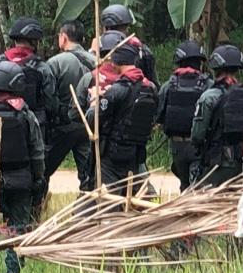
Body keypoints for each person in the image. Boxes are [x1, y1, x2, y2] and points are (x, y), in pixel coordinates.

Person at [0, 60, 44, 273]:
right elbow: (37, 152)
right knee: (17, 230)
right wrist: (38, 179)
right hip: (21, 182)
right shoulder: (25, 115)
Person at [88, 43, 157, 195]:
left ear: (116, 62)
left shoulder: (118, 90)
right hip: (136, 154)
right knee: (134, 196)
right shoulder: (150, 88)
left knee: (109, 200)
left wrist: (94, 101)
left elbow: (94, 120)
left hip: (112, 156)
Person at [191, 45, 243, 188]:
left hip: (217, 162)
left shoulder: (209, 97)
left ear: (215, 68)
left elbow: (197, 135)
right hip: (242, 161)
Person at [44, 21, 96, 192]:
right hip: (88, 125)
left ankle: (37, 204)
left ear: (63, 37)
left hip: (62, 126)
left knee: (43, 170)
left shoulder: (55, 62)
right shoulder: (97, 62)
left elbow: (48, 96)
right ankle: (90, 204)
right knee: (89, 175)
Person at [157, 39, 212, 191]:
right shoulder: (208, 85)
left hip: (177, 147)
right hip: (199, 146)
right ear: (200, 63)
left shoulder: (168, 86)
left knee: (184, 185)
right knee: (198, 187)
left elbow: (159, 115)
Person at [100, 4, 156, 85]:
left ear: (105, 28)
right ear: (127, 28)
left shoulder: (96, 49)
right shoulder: (139, 48)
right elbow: (151, 78)